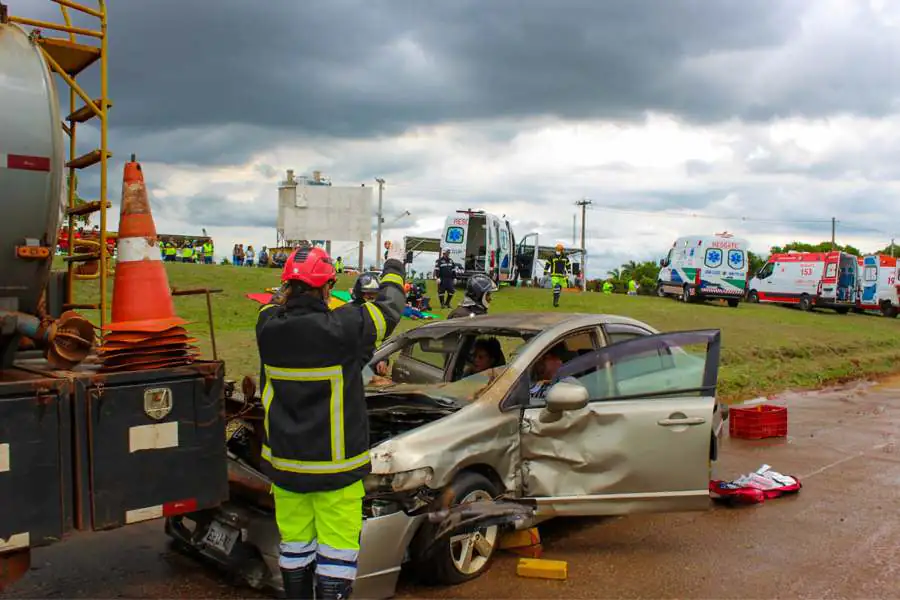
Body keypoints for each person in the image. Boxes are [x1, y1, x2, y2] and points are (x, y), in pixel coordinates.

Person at [256, 242, 406, 599]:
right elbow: (391, 306)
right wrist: (395, 264)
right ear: (327, 287)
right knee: (336, 555)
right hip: (335, 470)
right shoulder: (346, 328)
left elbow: (275, 307)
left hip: (287, 467)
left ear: (286, 286)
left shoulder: (265, 326)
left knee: (294, 548)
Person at [544, 243, 571, 308]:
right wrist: (545, 270)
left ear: (562, 250)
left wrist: (569, 272)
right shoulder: (552, 257)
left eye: (559, 250)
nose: (558, 251)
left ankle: (556, 300)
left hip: (562, 276)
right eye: (557, 249)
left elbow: (568, 265)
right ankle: (555, 302)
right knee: (557, 286)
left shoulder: (565, 258)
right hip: (554, 276)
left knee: (559, 290)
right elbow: (547, 264)